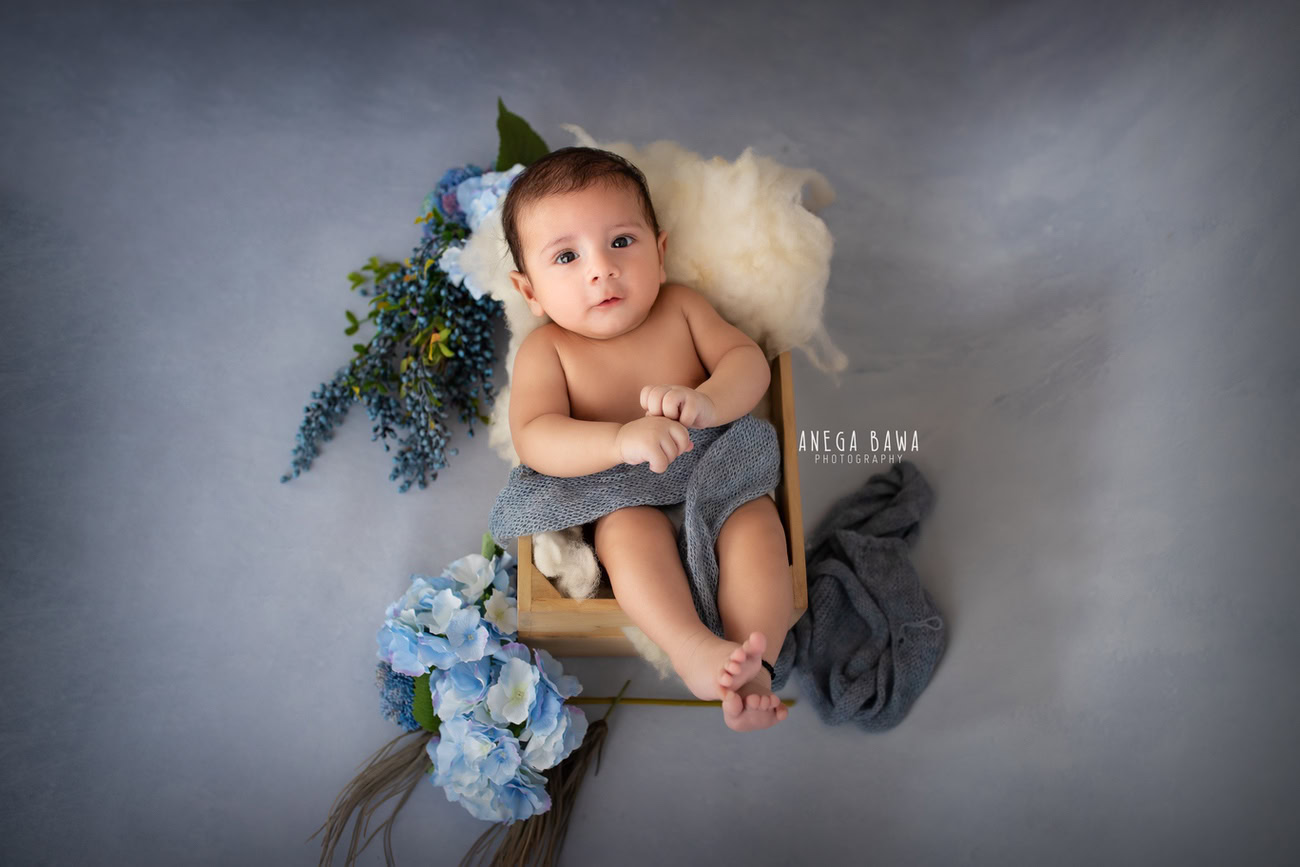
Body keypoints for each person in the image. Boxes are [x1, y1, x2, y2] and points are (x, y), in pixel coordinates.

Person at [501, 146, 791, 732]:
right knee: (628, 537)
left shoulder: (681, 308)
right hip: (619, 490)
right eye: (565, 256)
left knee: (757, 526)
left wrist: (708, 400)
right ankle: (690, 648)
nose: (600, 269)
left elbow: (748, 363)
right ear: (529, 289)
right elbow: (535, 437)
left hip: (711, 463)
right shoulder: (547, 350)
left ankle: (755, 666)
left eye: (621, 243)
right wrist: (616, 441)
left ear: (659, 253)